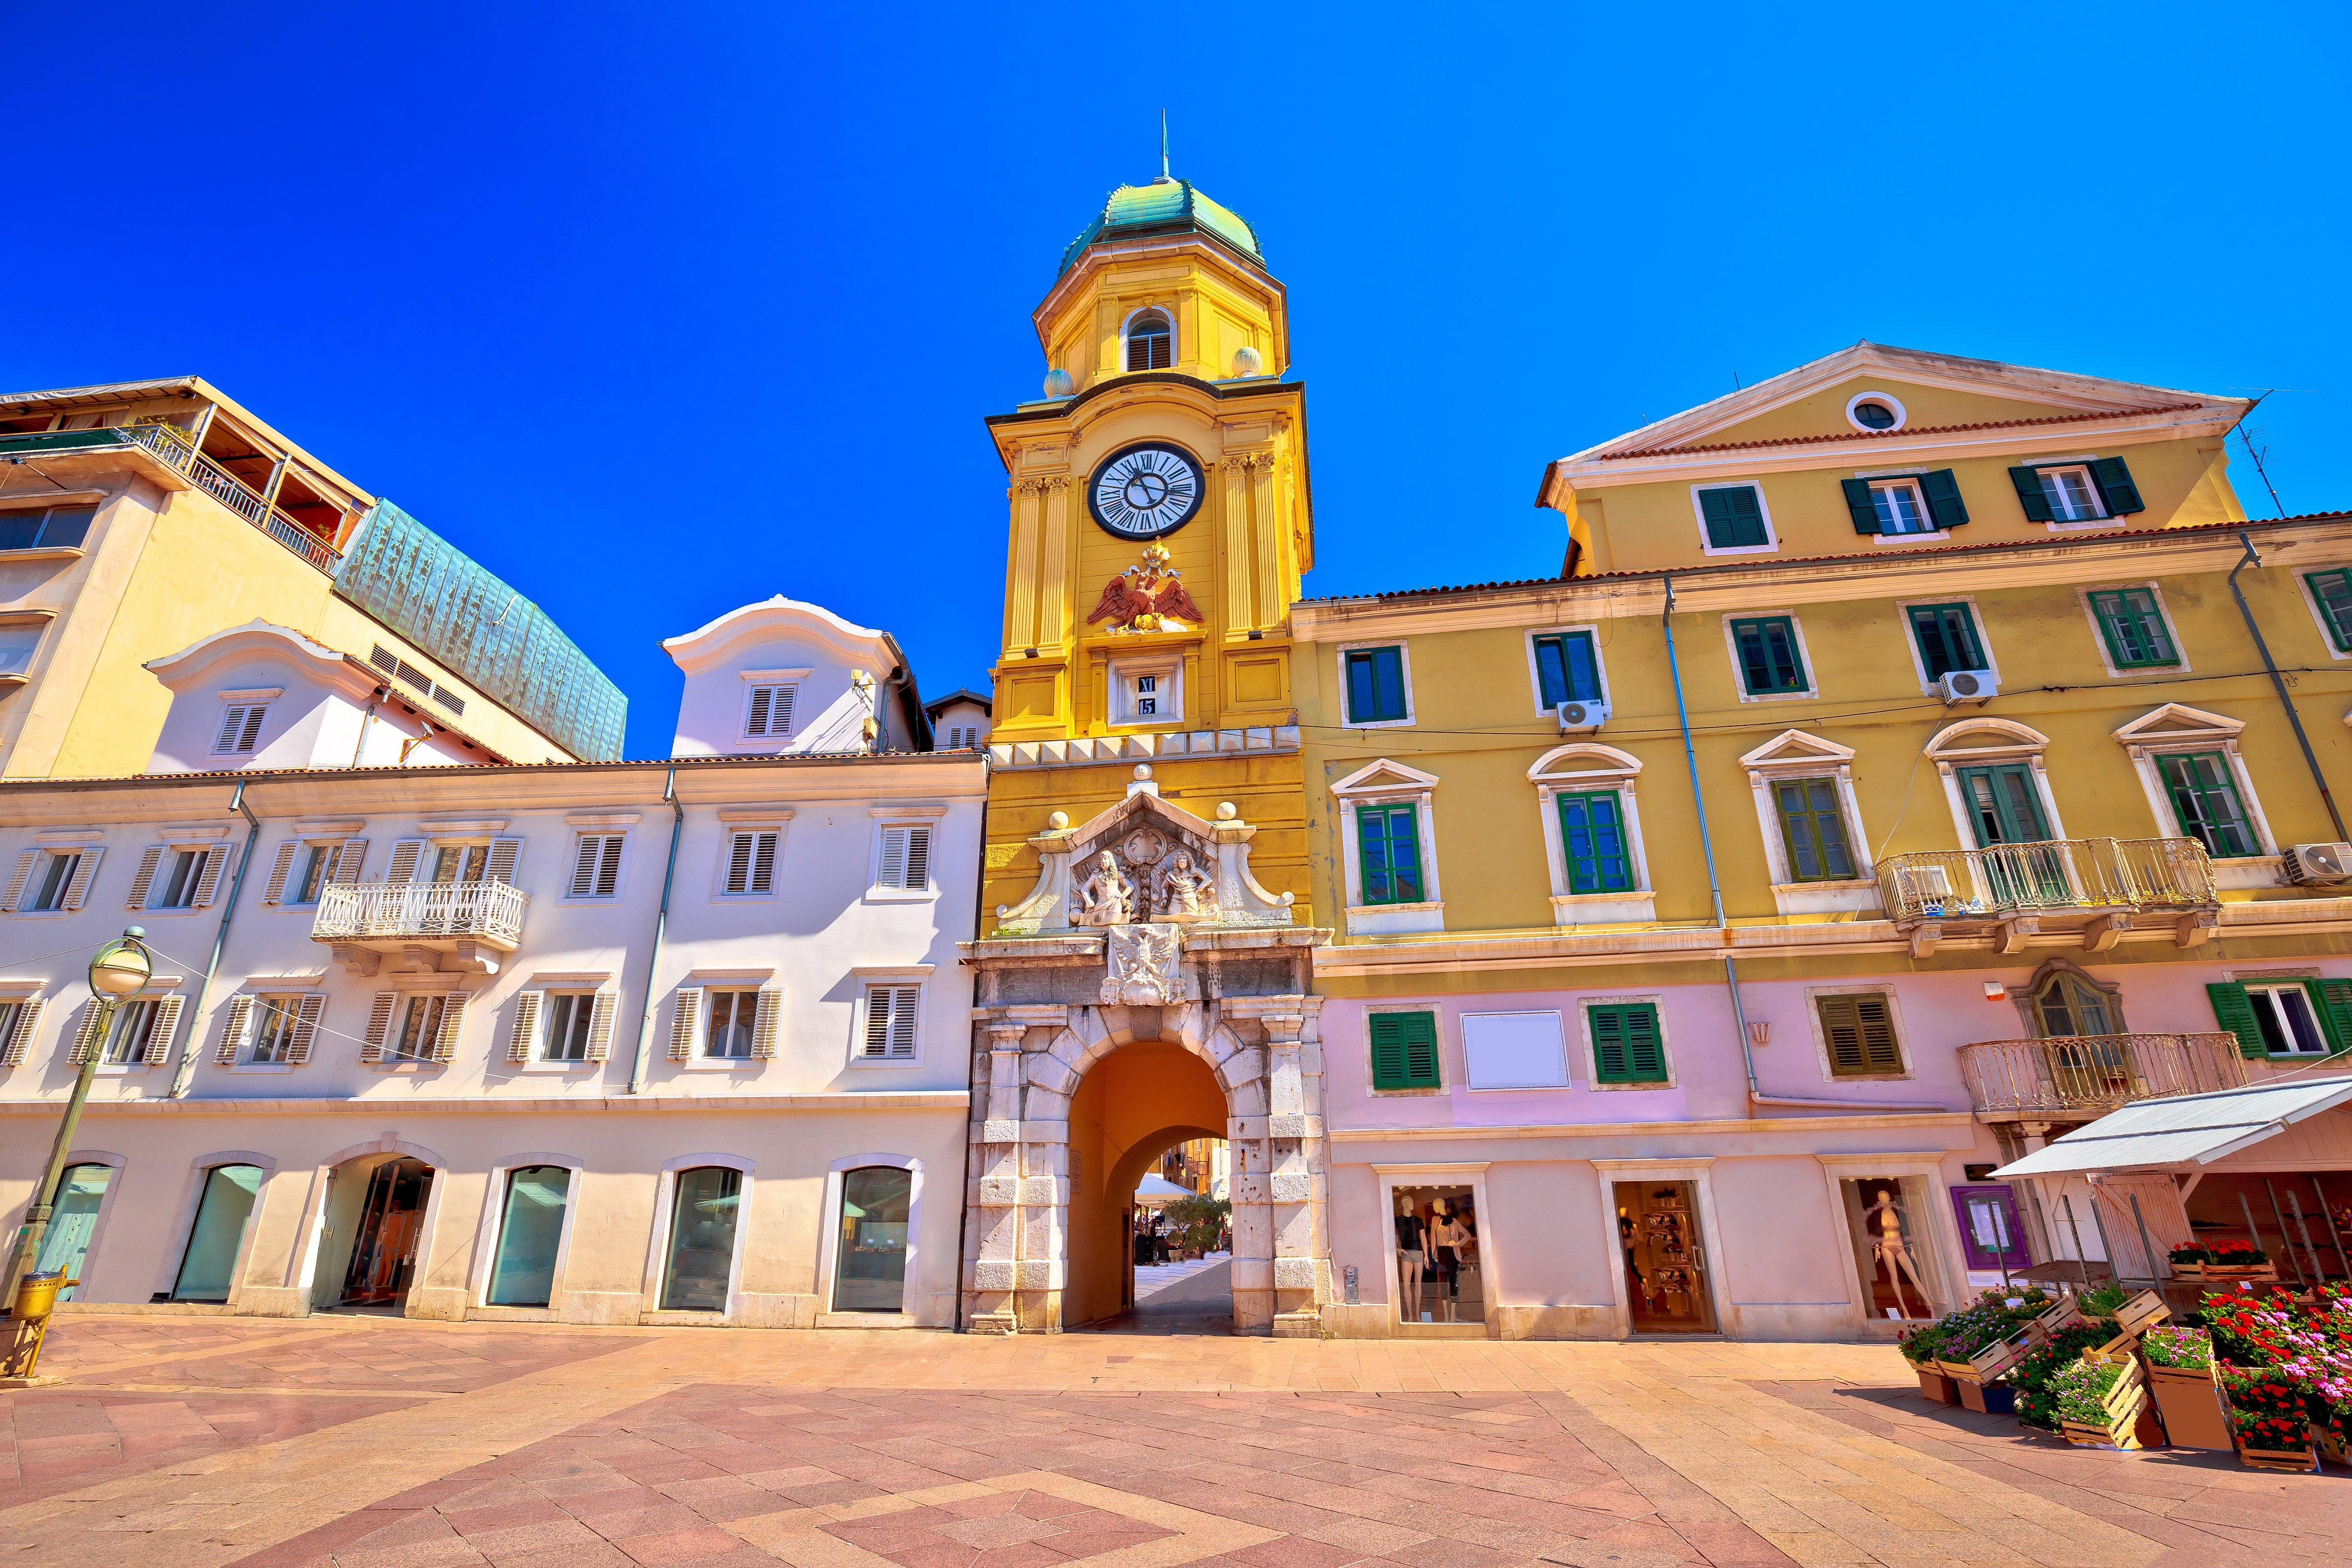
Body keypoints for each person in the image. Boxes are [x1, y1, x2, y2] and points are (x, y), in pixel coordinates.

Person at [1394, 1194, 1427, 1324]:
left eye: (1413, 1200)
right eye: (1410, 1201)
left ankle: (1417, 1314)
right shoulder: (1398, 1220)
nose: (1412, 1203)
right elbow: (1391, 1235)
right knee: (1407, 1284)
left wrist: (1426, 1256)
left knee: (1418, 1283)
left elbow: (1424, 1239)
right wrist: (1396, 1248)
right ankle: (1410, 1315)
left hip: (1419, 1252)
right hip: (1406, 1253)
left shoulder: (1418, 1220)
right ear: (1403, 1203)